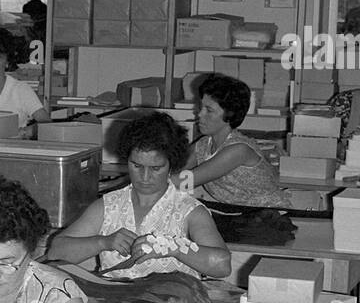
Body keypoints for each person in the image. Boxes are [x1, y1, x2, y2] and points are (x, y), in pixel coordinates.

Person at [48, 112, 231, 279]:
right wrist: (103, 242)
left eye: (155, 168)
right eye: (136, 166)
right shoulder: (109, 206)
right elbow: (56, 252)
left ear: (171, 165)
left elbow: (222, 265)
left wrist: (171, 247)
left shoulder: (189, 211)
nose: (144, 177)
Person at [185, 74, 284, 206]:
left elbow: (185, 181)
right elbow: (174, 168)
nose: (200, 114)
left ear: (229, 115)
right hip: (238, 215)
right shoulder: (203, 145)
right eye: (200, 107)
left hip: (269, 217)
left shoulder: (238, 150)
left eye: (209, 110)